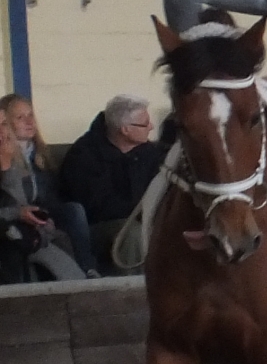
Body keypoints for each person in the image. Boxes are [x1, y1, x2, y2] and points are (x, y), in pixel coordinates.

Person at [0, 92, 98, 276]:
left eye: (31, 115)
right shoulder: (8, 158)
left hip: (40, 215)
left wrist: (45, 215)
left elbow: (53, 193)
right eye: (20, 117)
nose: (29, 121)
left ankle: (89, 269)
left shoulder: (40, 154)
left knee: (73, 211)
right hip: (15, 221)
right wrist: (7, 165)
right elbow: (12, 201)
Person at [59, 96, 161, 271]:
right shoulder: (84, 156)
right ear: (126, 130)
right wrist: (143, 212)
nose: (151, 127)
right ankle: (131, 287)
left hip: (142, 220)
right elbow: (99, 207)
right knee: (133, 233)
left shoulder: (151, 153)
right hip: (98, 227)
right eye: (145, 124)